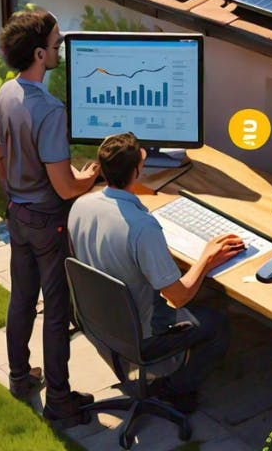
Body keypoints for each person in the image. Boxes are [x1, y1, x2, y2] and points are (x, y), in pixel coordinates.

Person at [67, 132, 241, 414]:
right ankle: (176, 389)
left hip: (99, 320)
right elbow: (179, 296)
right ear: (137, 170)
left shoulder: (81, 205)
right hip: (141, 334)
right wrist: (206, 259)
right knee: (216, 323)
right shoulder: (142, 227)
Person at [0, 9, 99, 426]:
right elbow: (65, 187)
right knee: (56, 309)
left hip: (17, 213)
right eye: (56, 46)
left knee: (21, 297)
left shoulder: (5, 93)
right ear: (39, 53)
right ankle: (59, 400)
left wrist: (17, 191)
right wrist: (90, 177)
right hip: (46, 221)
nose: (60, 52)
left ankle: (20, 378)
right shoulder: (50, 111)